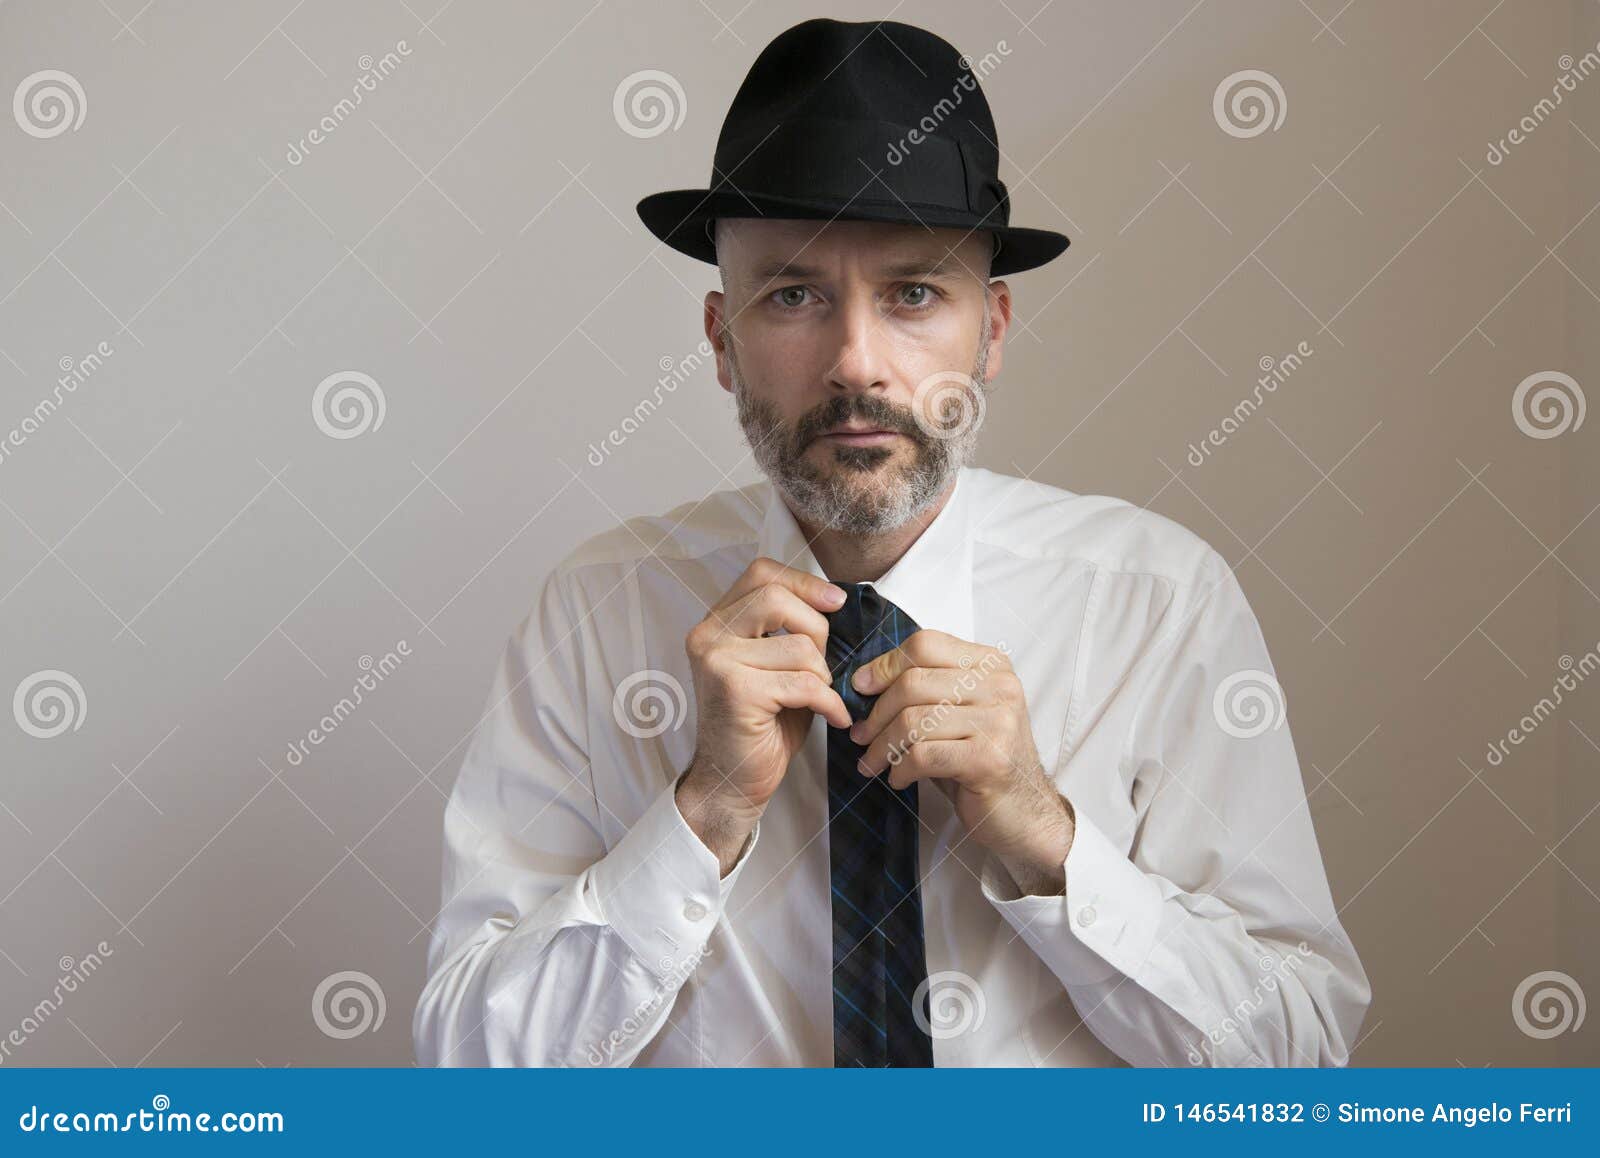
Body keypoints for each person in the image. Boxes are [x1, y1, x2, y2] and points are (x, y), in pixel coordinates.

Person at [413, 17, 1369, 1068]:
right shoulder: (595, 611)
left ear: (991, 330)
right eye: (792, 296)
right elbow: (473, 1067)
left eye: (913, 293)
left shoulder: (1156, 600)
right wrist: (702, 813)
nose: (856, 362)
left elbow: (1297, 1055)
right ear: (721, 341)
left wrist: (1042, 833)